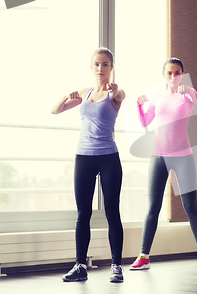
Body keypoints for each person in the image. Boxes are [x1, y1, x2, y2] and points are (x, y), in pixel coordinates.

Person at [129, 58, 197, 271]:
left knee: (190, 207)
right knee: (152, 208)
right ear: (164, 75)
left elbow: (195, 97)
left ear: (183, 73)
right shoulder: (158, 99)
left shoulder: (188, 95)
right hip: (159, 157)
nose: (173, 77)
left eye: (177, 73)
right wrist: (139, 104)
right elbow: (145, 122)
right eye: (169, 73)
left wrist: (188, 91)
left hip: (184, 156)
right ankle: (144, 256)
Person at [51, 47, 126, 283]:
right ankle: (80, 265)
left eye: (105, 64)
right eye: (96, 64)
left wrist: (116, 91)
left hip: (108, 157)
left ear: (111, 67)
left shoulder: (115, 93)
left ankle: (116, 266)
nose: (100, 68)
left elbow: (121, 95)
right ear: (91, 67)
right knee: (83, 213)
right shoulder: (85, 92)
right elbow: (55, 110)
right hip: (83, 156)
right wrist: (66, 96)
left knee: (112, 212)